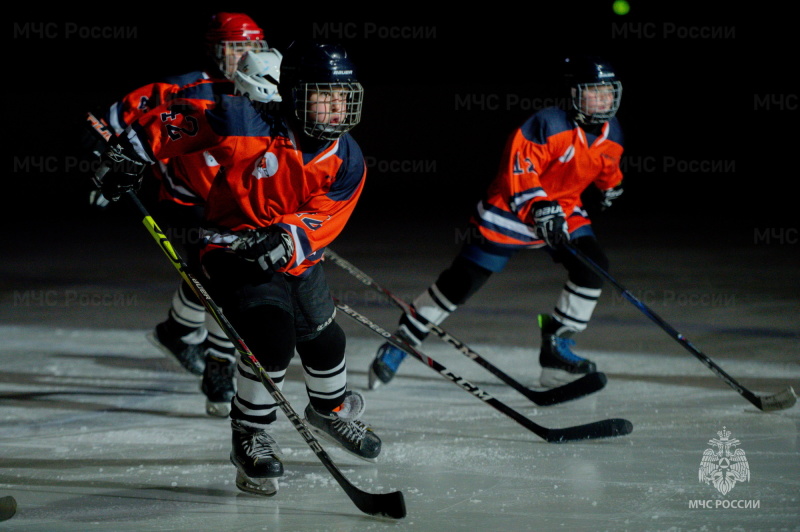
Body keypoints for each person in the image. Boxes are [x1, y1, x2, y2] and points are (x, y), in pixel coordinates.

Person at [93, 40, 380, 497]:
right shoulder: (245, 120)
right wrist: (131, 153)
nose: (336, 108)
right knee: (271, 338)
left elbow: (326, 216)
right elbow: (175, 121)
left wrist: (286, 239)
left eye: (343, 96)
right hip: (230, 247)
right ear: (296, 93)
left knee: (327, 339)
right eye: (325, 95)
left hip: (292, 254)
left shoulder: (347, 158)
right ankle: (249, 436)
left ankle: (330, 409)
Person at [368, 55, 625, 390]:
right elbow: (519, 170)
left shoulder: (612, 131)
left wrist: (611, 185)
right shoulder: (547, 124)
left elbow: (606, 163)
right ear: (575, 93)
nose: (604, 99)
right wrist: (539, 206)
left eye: (608, 91)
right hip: (512, 210)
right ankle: (401, 341)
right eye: (595, 91)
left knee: (593, 267)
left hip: (563, 209)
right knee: (459, 284)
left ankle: (556, 351)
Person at [81, 13, 271, 415]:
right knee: (221, 279)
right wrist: (104, 170)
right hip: (188, 201)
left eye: (252, 48)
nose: (244, 57)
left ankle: (179, 330)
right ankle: (216, 362)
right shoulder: (182, 88)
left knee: (224, 278)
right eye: (236, 48)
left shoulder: (265, 90)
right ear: (216, 50)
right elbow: (105, 123)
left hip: (241, 203)